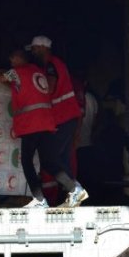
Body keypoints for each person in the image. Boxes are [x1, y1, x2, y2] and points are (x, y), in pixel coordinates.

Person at [0, 49, 86, 209]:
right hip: (46, 123)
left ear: (20, 58)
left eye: (13, 56)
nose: (10, 59)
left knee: (27, 161)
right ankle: (75, 189)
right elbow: (21, 87)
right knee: (47, 162)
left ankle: (40, 200)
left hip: (31, 123)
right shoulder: (37, 72)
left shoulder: (17, 72)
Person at [28, 36, 88, 205]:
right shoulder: (55, 64)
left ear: (42, 48)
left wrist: (30, 91)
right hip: (65, 118)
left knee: (48, 160)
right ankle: (74, 192)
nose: (32, 53)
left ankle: (75, 190)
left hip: (61, 118)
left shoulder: (50, 65)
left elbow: (50, 86)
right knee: (60, 160)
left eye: (33, 49)